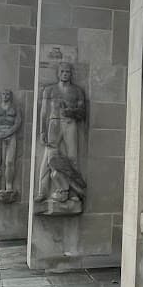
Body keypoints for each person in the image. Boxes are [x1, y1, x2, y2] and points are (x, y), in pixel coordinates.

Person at [34, 61, 87, 215]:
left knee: (73, 158)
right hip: (53, 124)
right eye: (62, 71)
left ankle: (74, 192)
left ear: (71, 74)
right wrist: (42, 132)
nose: (65, 74)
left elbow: (82, 112)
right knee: (48, 159)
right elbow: (43, 112)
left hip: (70, 123)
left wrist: (71, 111)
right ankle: (42, 192)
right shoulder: (49, 90)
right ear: (58, 73)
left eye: (68, 72)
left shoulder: (77, 91)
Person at [0, 89, 22, 199]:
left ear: (10, 96)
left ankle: (9, 186)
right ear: (0, 96)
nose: (5, 96)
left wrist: (9, 132)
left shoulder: (16, 109)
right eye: (3, 94)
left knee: (10, 162)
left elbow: (18, 123)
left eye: (7, 94)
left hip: (11, 134)